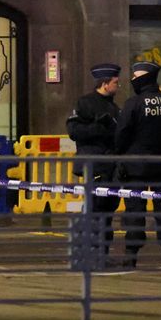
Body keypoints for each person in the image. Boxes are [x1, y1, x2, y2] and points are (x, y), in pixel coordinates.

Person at [115, 61, 161, 268]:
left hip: (135, 166)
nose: (133, 80)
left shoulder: (133, 103)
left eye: (136, 76)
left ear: (144, 79)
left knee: (135, 210)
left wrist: (124, 153)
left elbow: (121, 134)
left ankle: (131, 254)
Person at [66, 63, 122, 261]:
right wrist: (100, 127)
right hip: (94, 165)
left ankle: (102, 254)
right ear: (105, 84)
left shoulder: (115, 108)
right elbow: (74, 132)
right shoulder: (85, 104)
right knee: (95, 210)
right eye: (115, 82)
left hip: (111, 167)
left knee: (107, 212)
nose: (118, 86)